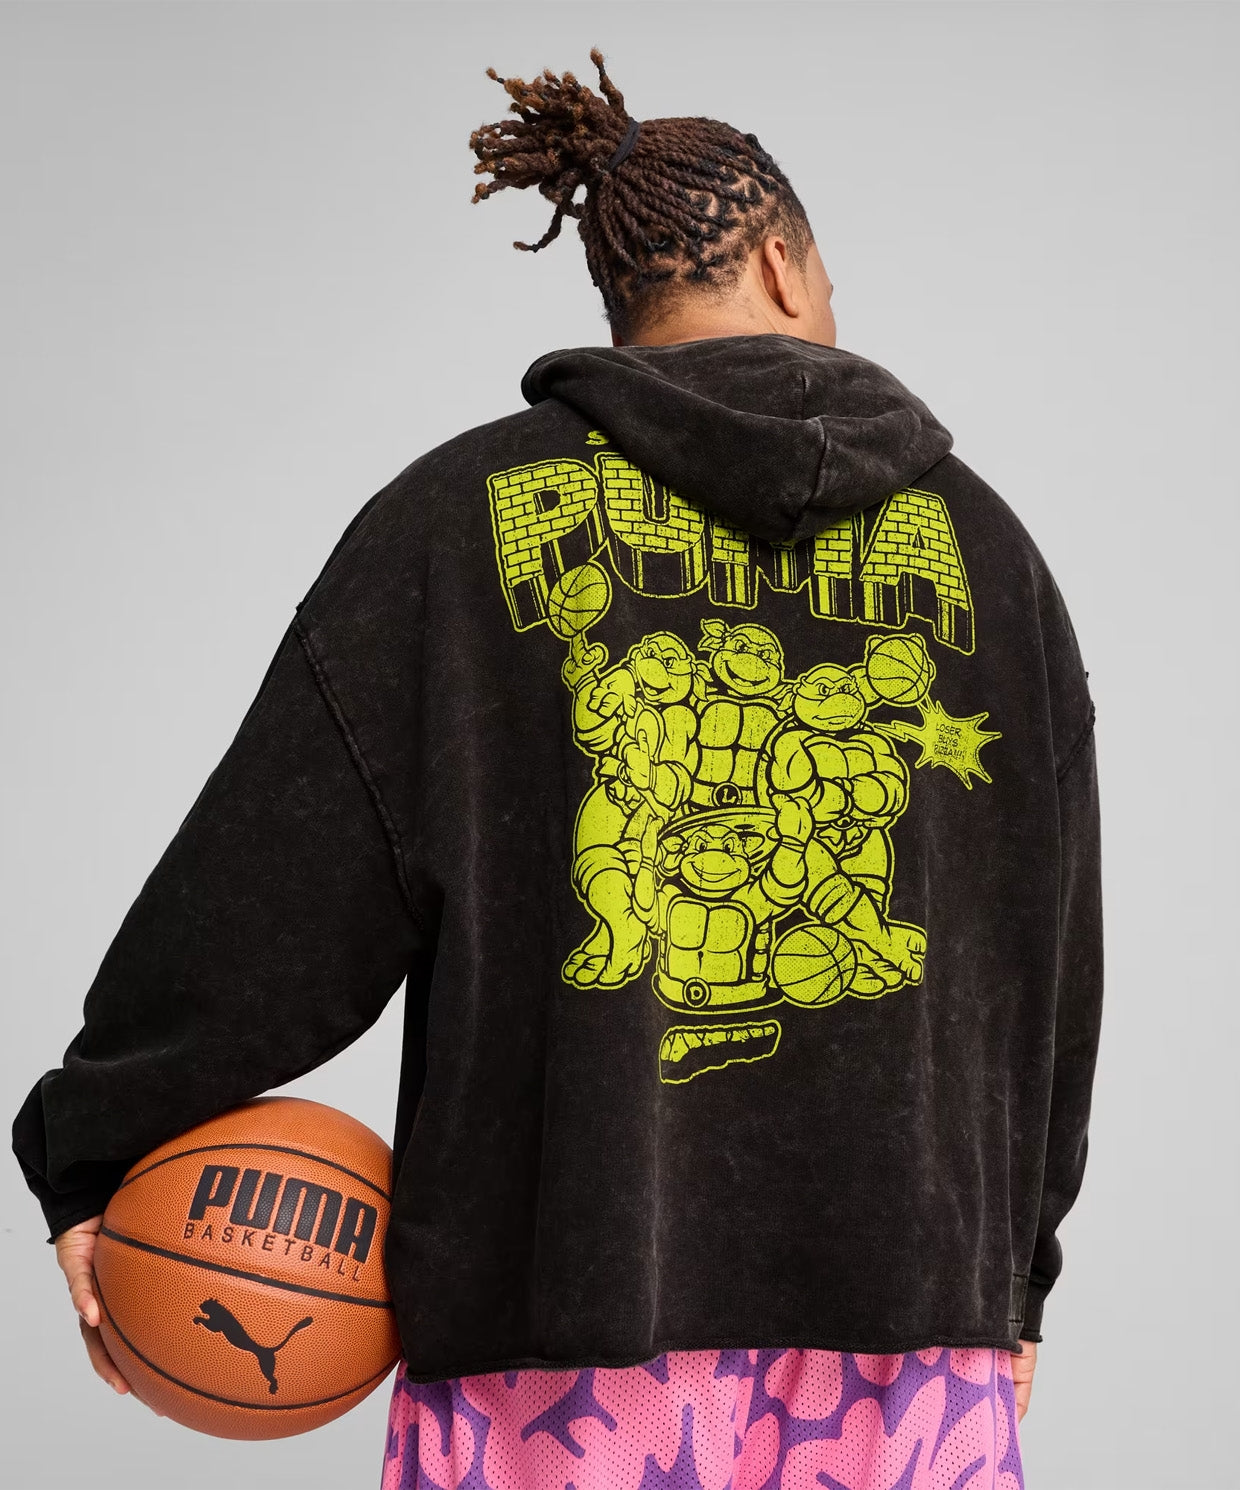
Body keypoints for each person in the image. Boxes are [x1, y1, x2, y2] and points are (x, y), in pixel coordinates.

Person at [15, 47, 1102, 1490]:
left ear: (623, 300)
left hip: (559, 1348)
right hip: (908, 1338)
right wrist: (1017, 1270)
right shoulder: (990, 554)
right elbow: (1049, 961)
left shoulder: (452, 523)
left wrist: (98, 1144)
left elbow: (271, 890)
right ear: (784, 265)